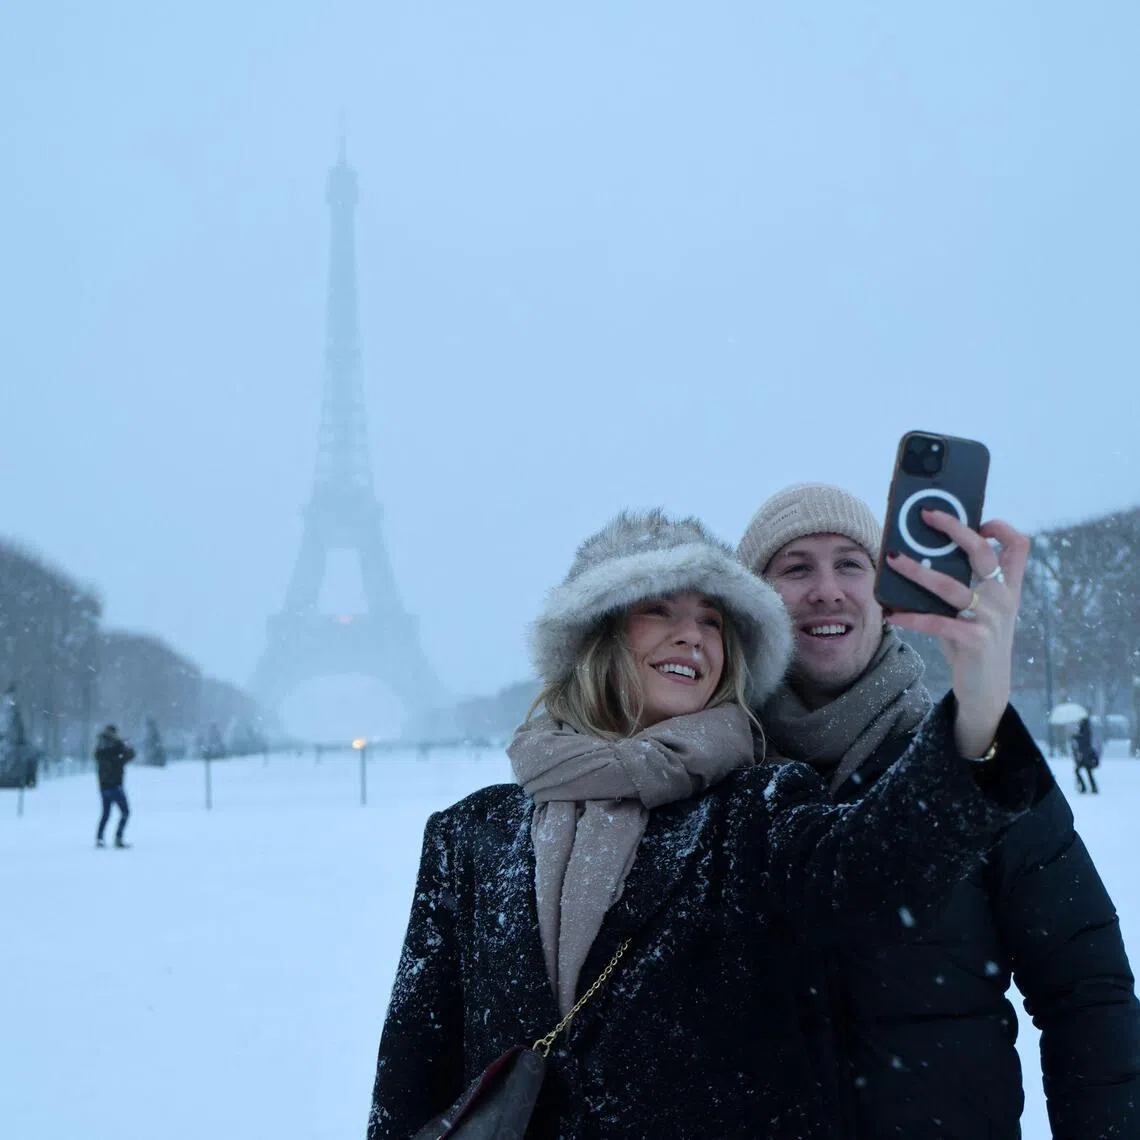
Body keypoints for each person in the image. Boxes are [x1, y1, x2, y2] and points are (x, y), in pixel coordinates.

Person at [368, 509, 1042, 1139]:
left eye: (712, 621)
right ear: (593, 638)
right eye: (657, 609)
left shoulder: (761, 806)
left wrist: (977, 711)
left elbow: (873, 877)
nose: (690, 633)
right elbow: (414, 1067)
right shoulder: (469, 835)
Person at [737, 483, 1140, 1140]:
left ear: (886, 594)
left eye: (850, 563)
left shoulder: (980, 752)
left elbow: (1087, 993)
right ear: (754, 603)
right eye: (795, 567)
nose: (827, 589)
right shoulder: (718, 778)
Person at [95, 724, 135, 848]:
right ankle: (118, 837)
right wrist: (126, 746)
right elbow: (129, 756)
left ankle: (100, 838)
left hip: (103, 786)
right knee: (125, 812)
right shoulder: (117, 746)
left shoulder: (100, 747)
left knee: (106, 813)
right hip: (116, 785)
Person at [1071, 715, 1101, 795]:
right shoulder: (1084, 729)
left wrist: (1076, 737)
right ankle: (1091, 788)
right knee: (1087, 772)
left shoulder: (1085, 730)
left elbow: (1083, 741)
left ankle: (1087, 788)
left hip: (1086, 755)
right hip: (1085, 755)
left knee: (1081, 771)